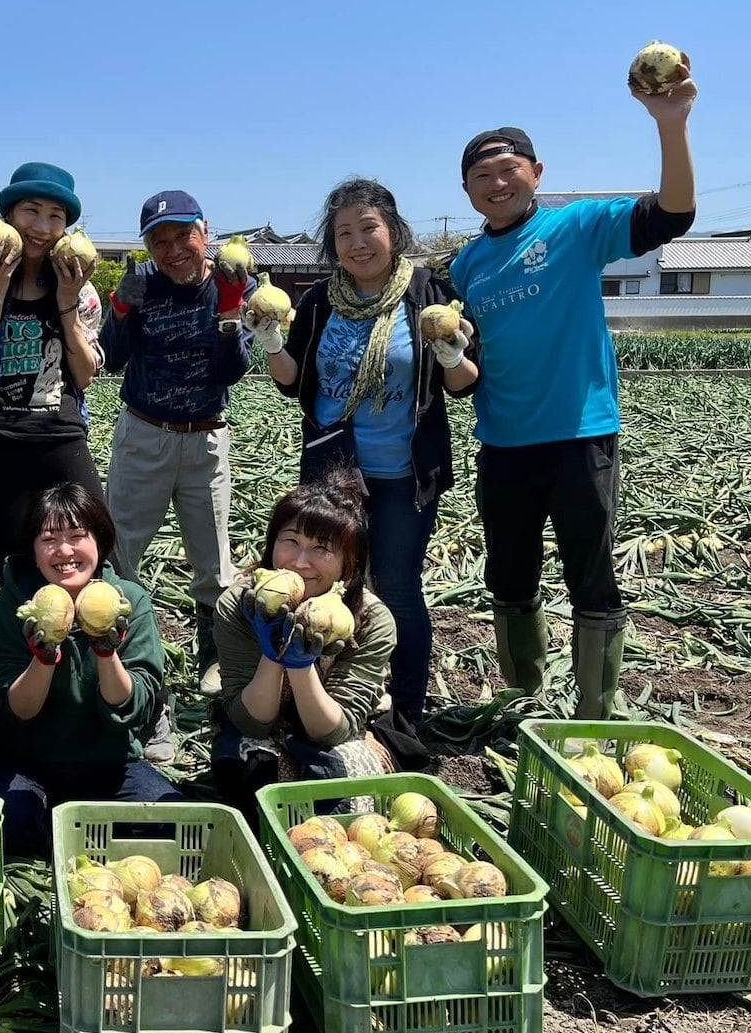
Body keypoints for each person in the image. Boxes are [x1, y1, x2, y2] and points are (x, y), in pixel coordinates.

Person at [448, 57, 697, 720]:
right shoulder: (466, 266)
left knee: (591, 576)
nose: (497, 184)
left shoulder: (576, 227)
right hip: (504, 444)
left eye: (509, 169)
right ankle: (522, 699)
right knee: (509, 577)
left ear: (536, 172)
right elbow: (465, 371)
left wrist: (671, 124)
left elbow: (672, 214)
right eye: (481, 176)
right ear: (467, 191)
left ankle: (594, 711)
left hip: (581, 434)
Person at [252, 179, 479, 723]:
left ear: (393, 231)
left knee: (397, 589)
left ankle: (405, 711)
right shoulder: (318, 301)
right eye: (344, 233)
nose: (357, 243)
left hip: (403, 473)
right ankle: (324, 702)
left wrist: (452, 354)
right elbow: (292, 382)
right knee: (325, 587)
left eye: (368, 228)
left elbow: (465, 383)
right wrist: (272, 342)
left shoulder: (429, 294)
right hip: (331, 476)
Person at [101, 191, 254, 698]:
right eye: (159, 241)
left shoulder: (234, 281)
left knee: (213, 558)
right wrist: (120, 308)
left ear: (204, 231)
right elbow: (113, 359)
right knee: (119, 548)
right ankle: (121, 651)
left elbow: (232, 371)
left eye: (183, 235)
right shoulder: (143, 284)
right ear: (148, 246)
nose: (173, 250)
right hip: (145, 434)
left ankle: (215, 656)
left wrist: (230, 310)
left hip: (205, 438)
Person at [0, 483, 183, 859]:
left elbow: (135, 708)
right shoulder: (17, 605)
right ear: (33, 550)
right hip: (26, 763)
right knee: (5, 825)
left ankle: (69, 835)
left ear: (99, 541)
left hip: (110, 764)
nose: (65, 551)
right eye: (49, 539)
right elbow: (16, 711)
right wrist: (43, 660)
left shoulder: (128, 602)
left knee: (171, 825)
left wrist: (106, 653)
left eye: (77, 536)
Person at [211, 471, 396, 820]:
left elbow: (332, 732)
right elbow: (253, 723)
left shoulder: (372, 620)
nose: (299, 562)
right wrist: (273, 653)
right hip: (264, 724)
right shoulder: (238, 605)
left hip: (336, 729)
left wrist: (299, 665)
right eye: (291, 541)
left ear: (349, 563)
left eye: (321, 548)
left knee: (344, 789)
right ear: (272, 544)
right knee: (246, 773)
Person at [0, 162, 106, 576]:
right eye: (31, 211)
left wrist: (67, 300)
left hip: (62, 438)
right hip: (0, 443)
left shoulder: (79, 286)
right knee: (14, 562)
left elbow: (85, 375)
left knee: (92, 553)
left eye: (55, 216)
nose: (41, 227)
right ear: (8, 216)